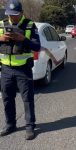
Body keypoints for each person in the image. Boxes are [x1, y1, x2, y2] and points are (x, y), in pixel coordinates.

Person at [0, 0, 41, 140]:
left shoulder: (29, 25)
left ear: (22, 13)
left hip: (23, 70)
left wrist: (23, 39)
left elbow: (37, 47)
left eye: (15, 15)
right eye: (10, 15)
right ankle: (10, 124)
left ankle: (30, 127)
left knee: (27, 100)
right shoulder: (2, 24)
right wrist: (1, 38)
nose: (12, 18)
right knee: (7, 99)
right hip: (5, 69)